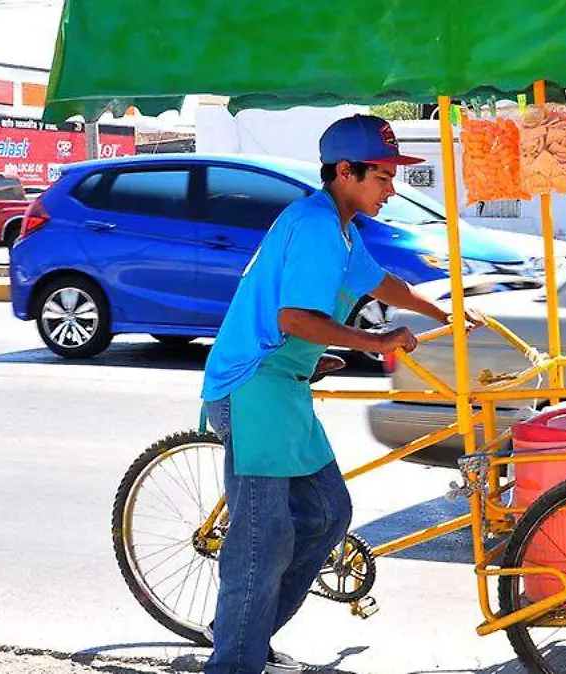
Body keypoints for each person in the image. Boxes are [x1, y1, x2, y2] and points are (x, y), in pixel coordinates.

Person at [199, 114, 483, 674]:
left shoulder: (340, 226)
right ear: (347, 172)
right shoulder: (313, 226)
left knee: (329, 514)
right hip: (254, 386)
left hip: (285, 388)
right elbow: (295, 317)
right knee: (264, 540)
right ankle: (233, 659)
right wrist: (372, 339)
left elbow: (380, 282)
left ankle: (242, 636)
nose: (390, 188)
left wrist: (443, 309)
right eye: (382, 177)